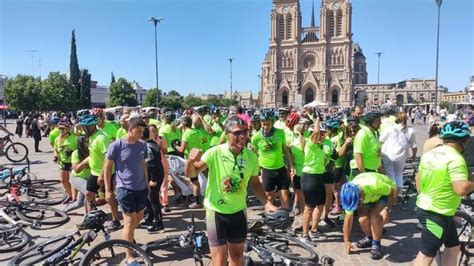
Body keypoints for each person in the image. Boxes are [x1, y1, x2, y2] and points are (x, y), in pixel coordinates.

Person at [185, 116, 277, 266]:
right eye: (237, 133)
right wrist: (190, 161)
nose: (242, 136)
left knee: (237, 258)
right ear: (226, 134)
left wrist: (266, 203)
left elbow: (255, 182)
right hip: (216, 211)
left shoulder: (251, 157)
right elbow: (191, 174)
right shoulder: (214, 152)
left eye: (245, 132)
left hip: (238, 211)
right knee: (219, 260)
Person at [413, 121, 474, 266]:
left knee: (453, 247)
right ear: (464, 141)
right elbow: (461, 189)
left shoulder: (429, 154)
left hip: (434, 209)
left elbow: (418, 180)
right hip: (437, 213)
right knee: (426, 256)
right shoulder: (456, 159)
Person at [103, 117, 148, 264]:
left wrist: (147, 184)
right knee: (129, 221)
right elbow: (107, 168)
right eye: (139, 131)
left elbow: (143, 165)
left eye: (143, 131)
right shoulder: (116, 145)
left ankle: (127, 238)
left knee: (139, 218)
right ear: (130, 129)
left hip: (141, 188)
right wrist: (108, 190)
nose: (141, 134)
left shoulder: (142, 145)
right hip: (124, 188)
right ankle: (129, 256)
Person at [340, 172, 397, 260]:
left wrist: (387, 210)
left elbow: (394, 192)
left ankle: (376, 244)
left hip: (383, 194)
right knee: (362, 220)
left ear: (360, 195)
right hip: (368, 196)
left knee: (374, 216)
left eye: (358, 203)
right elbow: (348, 220)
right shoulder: (350, 195)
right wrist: (346, 241)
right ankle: (370, 238)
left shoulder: (376, 184)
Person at [80, 114, 122, 231]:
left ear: (91, 126)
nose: (82, 129)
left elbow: (108, 158)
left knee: (109, 196)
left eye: (84, 127)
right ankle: (91, 219)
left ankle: (116, 220)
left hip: (105, 172)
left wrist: (102, 174)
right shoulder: (91, 136)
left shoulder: (101, 137)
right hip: (94, 172)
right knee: (88, 195)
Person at [251, 110, 295, 210]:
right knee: (269, 197)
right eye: (264, 124)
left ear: (273, 123)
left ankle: (284, 220)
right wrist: (255, 172)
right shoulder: (256, 137)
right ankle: (270, 219)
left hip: (280, 168)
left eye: (268, 124)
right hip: (266, 170)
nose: (266, 127)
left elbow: (286, 151)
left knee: (284, 195)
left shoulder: (280, 133)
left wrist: (291, 166)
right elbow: (253, 156)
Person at [300, 117, 328, 245]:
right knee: (309, 208)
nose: (322, 136)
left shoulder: (319, 147)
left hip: (318, 177)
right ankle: (304, 235)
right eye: (321, 134)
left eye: (323, 134)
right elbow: (315, 133)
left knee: (321, 205)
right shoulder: (310, 144)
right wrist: (317, 119)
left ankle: (314, 230)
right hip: (309, 177)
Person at [380, 112, 417, 194]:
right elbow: (414, 146)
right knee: (399, 174)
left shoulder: (390, 128)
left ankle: (392, 195)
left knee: (390, 175)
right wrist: (413, 156)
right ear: (406, 119)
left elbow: (380, 141)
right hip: (401, 156)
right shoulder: (410, 131)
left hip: (388, 155)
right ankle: (399, 194)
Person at [142, 126, 165, 233]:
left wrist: (153, 179)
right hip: (156, 174)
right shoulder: (152, 143)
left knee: (154, 199)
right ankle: (150, 218)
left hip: (154, 176)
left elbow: (152, 164)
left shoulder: (147, 147)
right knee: (149, 198)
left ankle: (158, 223)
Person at [64, 136, 91, 215]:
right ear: (81, 144)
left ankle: (63, 211)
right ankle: (88, 217)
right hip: (77, 177)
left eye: (88, 142)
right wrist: (85, 161)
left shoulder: (92, 151)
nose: (88, 144)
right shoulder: (76, 153)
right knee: (88, 193)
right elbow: (76, 169)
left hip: (88, 179)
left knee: (79, 203)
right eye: (86, 142)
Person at [54, 119, 78, 203]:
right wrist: (56, 156)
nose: (61, 130)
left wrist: (72, 153)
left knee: (73, 180)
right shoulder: (58, 139)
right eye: (59, 129)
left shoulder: (74, 138)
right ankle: (70, 195)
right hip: (63, 162)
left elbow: (80, 150)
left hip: (73, 162)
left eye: (63, 129)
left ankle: (75, 198)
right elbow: (55, 150)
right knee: (63, 180)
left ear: (67, 129)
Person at [353, 112, 383, 176]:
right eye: (378, 121)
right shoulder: (363, 134)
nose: (380, 123)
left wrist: (380, 168)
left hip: (372, 169)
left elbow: (375, 152)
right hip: (364, 170)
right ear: (372, 122)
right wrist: (364, 174)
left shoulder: (373, 133)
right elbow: (358, 154)